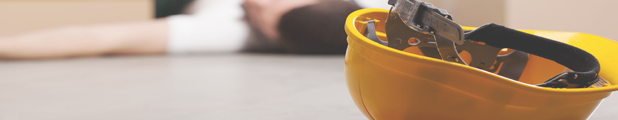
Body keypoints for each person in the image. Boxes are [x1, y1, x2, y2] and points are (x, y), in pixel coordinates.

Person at [0, 0, 388, 59]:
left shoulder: (234, 29)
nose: (263, 7)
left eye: (269, 14)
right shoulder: (370, 13)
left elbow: (101, 38)